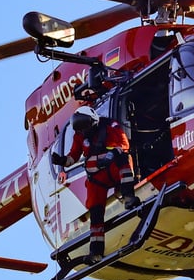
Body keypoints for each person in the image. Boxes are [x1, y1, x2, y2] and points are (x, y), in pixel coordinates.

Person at [51, 106, 138, 262]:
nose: (84, 131)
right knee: (96, 214)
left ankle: (128, 197)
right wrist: (62, 161)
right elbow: (73, 156)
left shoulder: (110, 126)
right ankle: (96, 252)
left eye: (85, 126)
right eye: (80, 128)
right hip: (96, 177)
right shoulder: (79, 136)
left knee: (124, 160)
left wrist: (112, 154)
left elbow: (123, 144)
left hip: (112, 168)